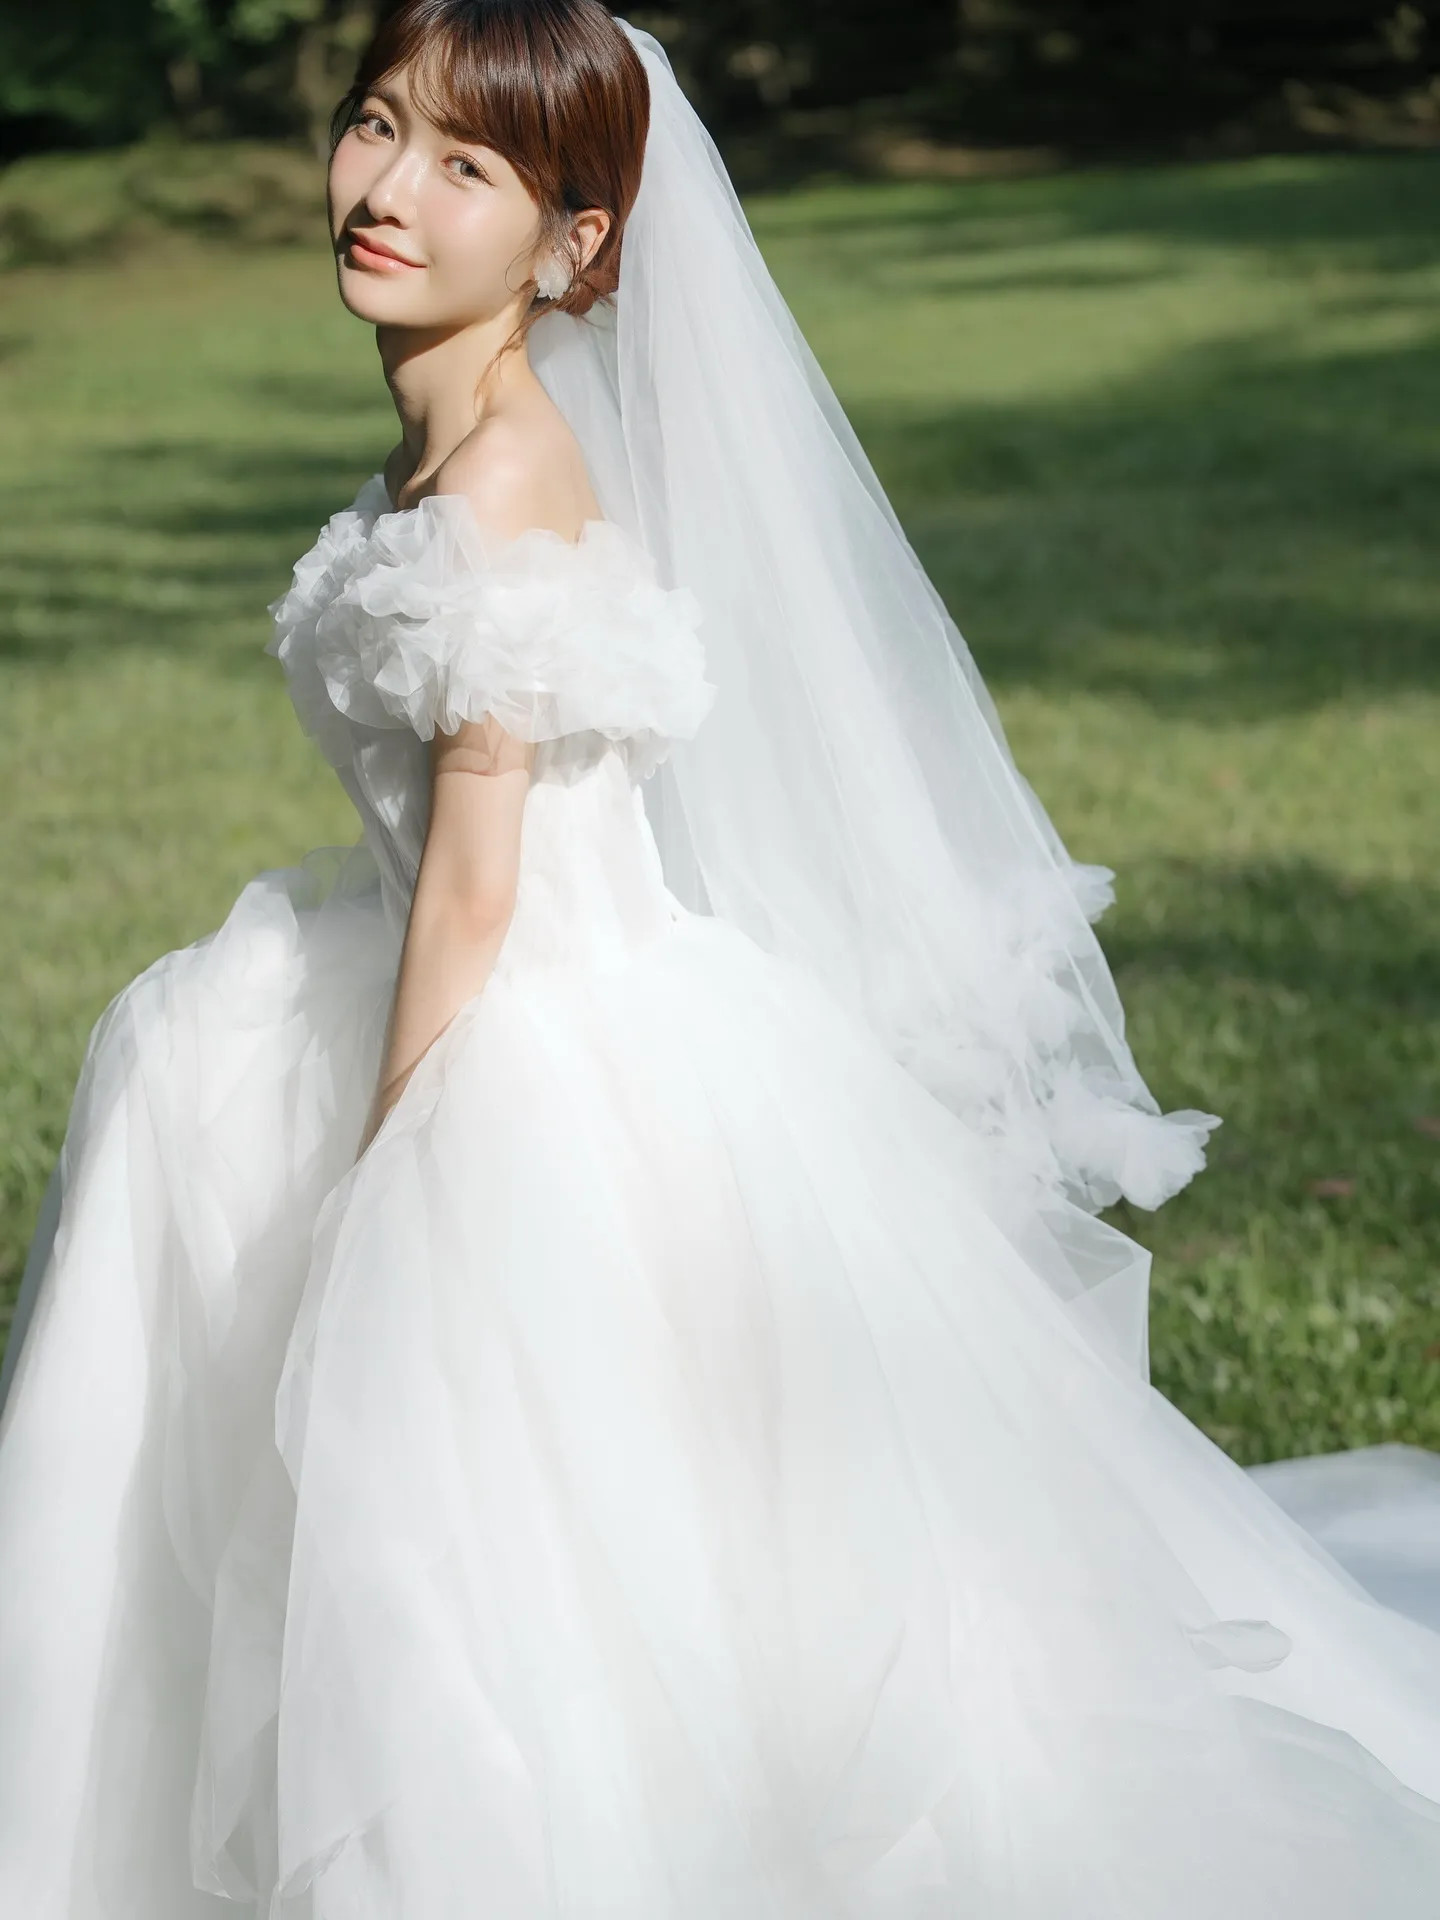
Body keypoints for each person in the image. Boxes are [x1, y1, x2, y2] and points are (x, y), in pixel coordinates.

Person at [2, 3, 1439, 1914]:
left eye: (465, 164)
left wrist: (377, 1175)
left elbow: (475, 893)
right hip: (467, 980)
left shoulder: (502, 479)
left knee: (498, 1549)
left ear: (575, 240)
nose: (386, 187)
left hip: (522, 1045)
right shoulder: (439, 446)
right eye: (373, 125)